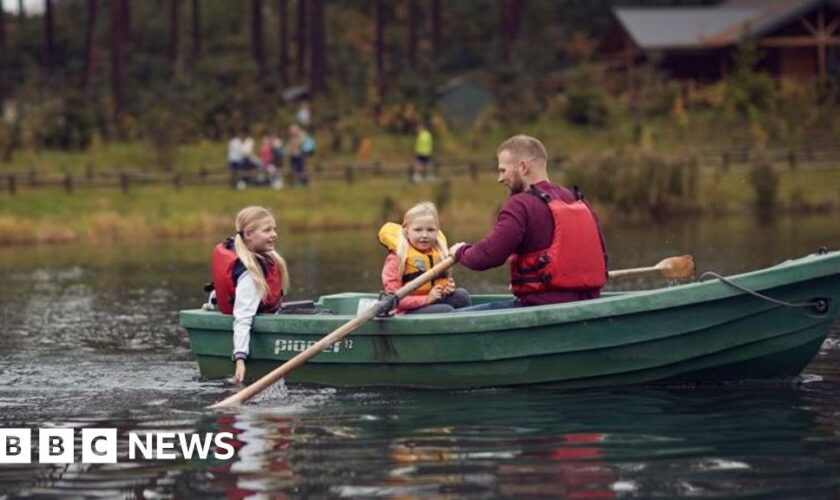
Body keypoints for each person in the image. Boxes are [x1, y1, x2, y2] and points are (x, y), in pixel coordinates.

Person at [450, 135, 607, 311]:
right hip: (588, 304)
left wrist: (460, 251)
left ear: (523, 167)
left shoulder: (520, 204)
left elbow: (487, 256)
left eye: (503, 170)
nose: (499, 178)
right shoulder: (577, 200)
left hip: (543, 306)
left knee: (448, 319)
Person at [210, 206, 290, 382]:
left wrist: (211, 302)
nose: (274, 234)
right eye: (267, 230)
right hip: (245, 332)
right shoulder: (249, 273)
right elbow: (243, 319)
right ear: (248, 235)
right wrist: (240, 359)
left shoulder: (256, 257)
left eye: (274, 229)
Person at [379, 202, 471, 314]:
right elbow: (394, 299)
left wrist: (445, 289)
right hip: (405, 310)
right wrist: (426, 299)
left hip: (430, 303)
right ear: (406, 231)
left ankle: (465, 328)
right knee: (445, 310)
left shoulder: (439, 253)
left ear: (437, 231)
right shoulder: (396, 258)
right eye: (418, 230)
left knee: (461, 296)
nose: (424, 235)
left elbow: (437, 286)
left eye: (430, 230)